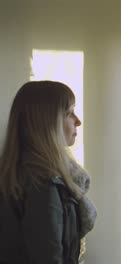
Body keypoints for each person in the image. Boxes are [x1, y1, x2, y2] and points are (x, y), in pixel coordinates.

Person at [0, 81, 97, 264]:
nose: (78, 121)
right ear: (47, 123)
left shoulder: (30, 174)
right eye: (69, 113)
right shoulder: (42, 183)